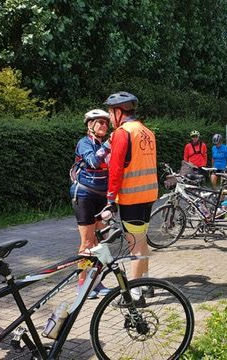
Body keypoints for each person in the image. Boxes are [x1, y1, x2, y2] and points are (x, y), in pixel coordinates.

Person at [103, 91, 158, 305]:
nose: (109, 117)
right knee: (141, 239)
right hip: (149, 195)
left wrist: (110, 199)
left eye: (110, 112)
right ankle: (146, 284)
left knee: (134, 243)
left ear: (119, 112)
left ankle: (134, 295)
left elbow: (116, 169)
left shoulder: (123, 132)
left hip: (132, 197)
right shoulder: (147, 131)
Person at [70, 109, 112, 299]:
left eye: (105, 122)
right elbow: (94, 162)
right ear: (90, 125)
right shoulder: (84, 143)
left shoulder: (103, 144)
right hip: (85, 194)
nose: (104, 125)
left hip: (102, 197)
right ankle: (82, 285)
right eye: (99, 122)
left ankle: (95, 282)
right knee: (87, 243)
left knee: (100, 242)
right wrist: (110, 144)